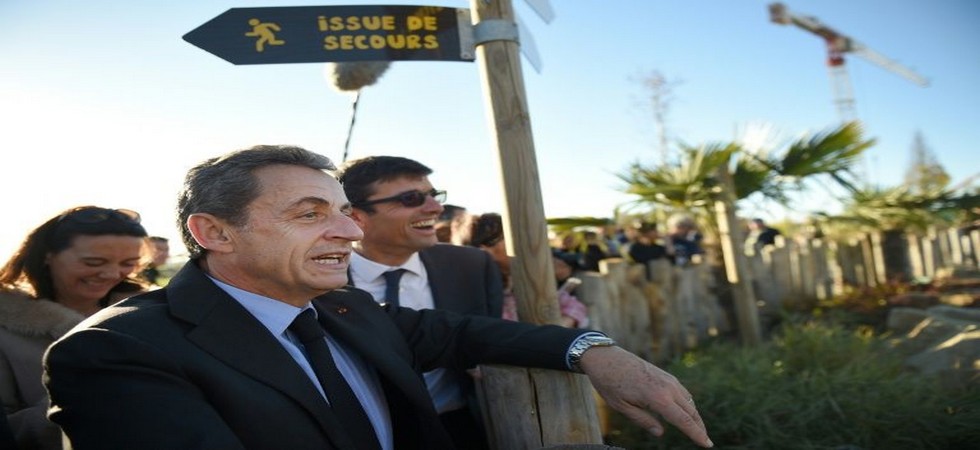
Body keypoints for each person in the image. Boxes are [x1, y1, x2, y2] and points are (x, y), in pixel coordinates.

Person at [43, 145, 713, 450]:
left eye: (343, 211)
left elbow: (461, 333)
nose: (348, 231)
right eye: (310, 214)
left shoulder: (343, 309)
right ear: (214, 232)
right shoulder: (114, 353)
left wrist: (591, 349)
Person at [337, 156, 501, 449]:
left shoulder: (472, 266)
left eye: (434, 195)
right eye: (411, 198)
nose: (435, 208)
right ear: (357, 217)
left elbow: (488, 339)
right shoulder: (319, 277)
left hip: (461, 428)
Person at [0, 205, 149, 450]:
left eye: (128, 263)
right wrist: (77, 403)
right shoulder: (6, 329)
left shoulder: (152, 312)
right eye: (94, 262)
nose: (112, 273)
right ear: (47, 255)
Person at [454, 212, 589, 328]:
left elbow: (573, 306)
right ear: (484, 249)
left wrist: (560, 325)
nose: (521, 244)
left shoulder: (519, 278)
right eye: (509, 238)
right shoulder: (476, 294)